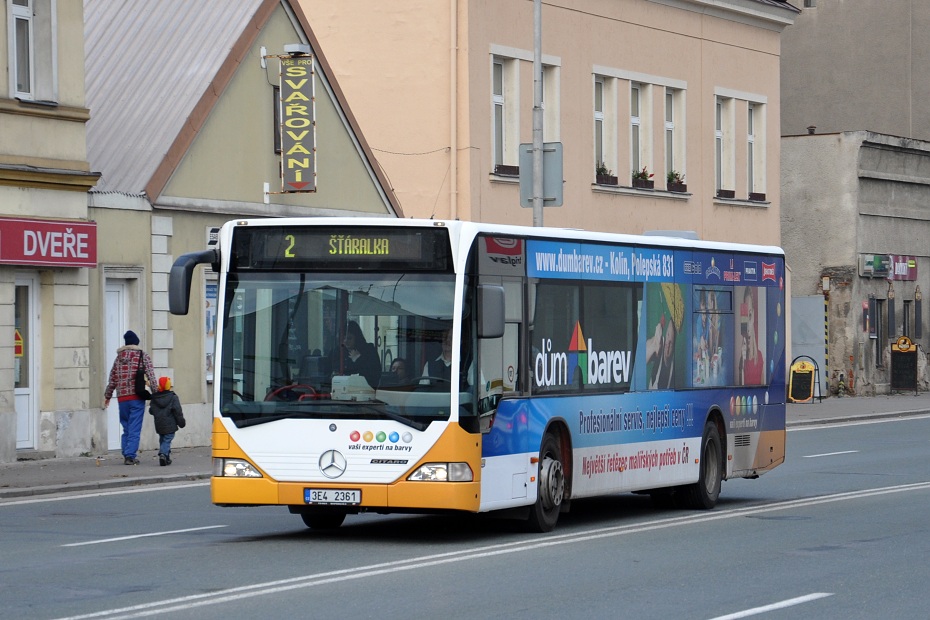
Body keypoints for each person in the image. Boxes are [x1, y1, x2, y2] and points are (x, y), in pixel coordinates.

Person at [104, 330, 157, 465]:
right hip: (136, 396)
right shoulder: (142, 355)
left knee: (126, 426)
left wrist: (108, 396)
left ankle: (126, 452)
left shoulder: (118, 359)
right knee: (134, 427)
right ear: (136, 342)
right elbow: (150, 375)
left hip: (122, 398)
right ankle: (130, 455)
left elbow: (112, 379)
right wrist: (156, 393)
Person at [149, 376, 186, 466]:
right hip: (170, 424)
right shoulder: (173, 397)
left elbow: (151, 411)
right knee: (167, 440)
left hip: (159, 424)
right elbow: (178, 411)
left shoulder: (155, 397)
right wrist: (181, 422)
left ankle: (167, 458)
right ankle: (163, 454)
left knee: (163, 440)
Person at [340, 320, 380, 388]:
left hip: (365, 390)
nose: (345, 341)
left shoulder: (369, 350)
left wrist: (358, 359)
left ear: (357, 337)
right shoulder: (339, 352)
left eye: (349, 338)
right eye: (343, 338)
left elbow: (374, 374)